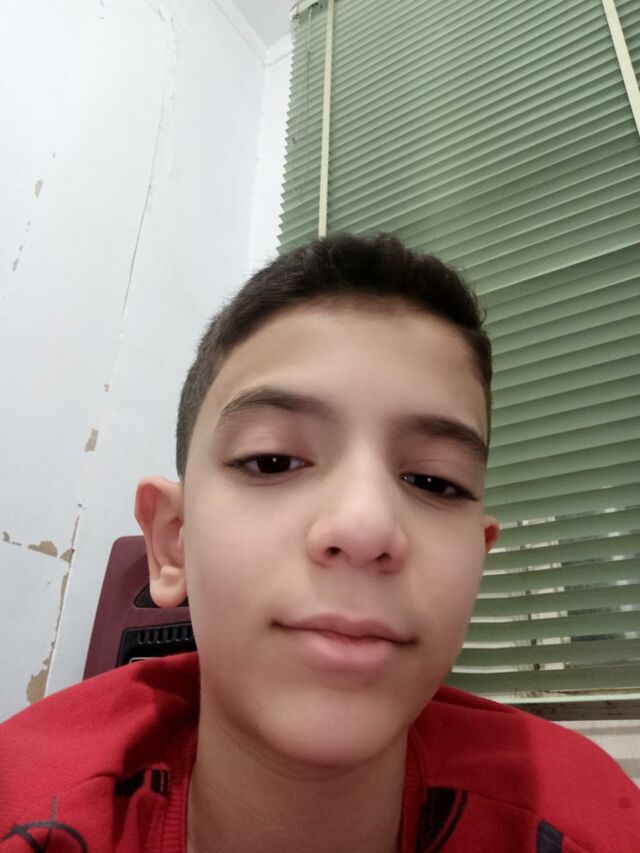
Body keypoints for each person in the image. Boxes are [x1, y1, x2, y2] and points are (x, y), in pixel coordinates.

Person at [0, 233, 638, 852]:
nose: (365, 528)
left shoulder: (588, 823)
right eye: (273, 461)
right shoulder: (25, 808)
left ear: (479, 555)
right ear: (173, 543)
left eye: (434, 482)